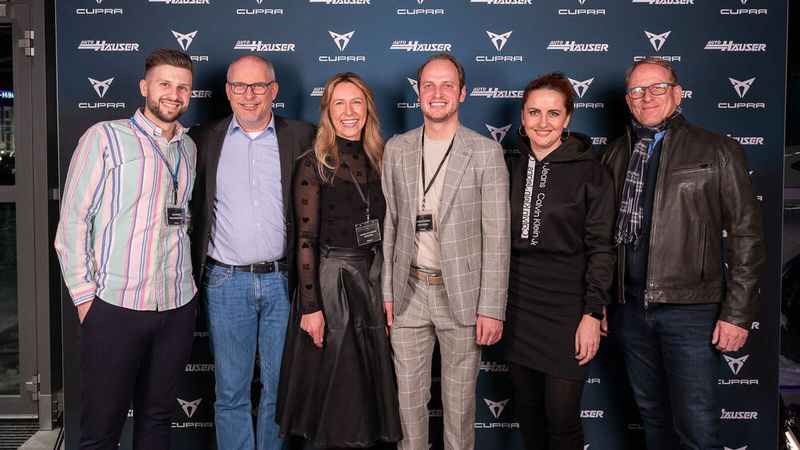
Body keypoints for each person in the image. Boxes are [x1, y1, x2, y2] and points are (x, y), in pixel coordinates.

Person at [601, 58, 765, 449]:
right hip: (630, 309)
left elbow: (747, 235)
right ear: (628, 100)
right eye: (638, 91)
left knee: (696, 424)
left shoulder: (717, 149)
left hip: (691, 310)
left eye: (657, 87)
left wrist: (738, 313)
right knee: (654, 419)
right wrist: (602, 299)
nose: (648, 97)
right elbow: (603, 237)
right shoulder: (615, 154)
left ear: (677, 93)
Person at [54, 48, 196, 449]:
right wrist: (86, 300)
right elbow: (73, 223)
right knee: (102, 427)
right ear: (144, 87)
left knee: (158, 420)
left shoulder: (189, 149)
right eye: (165, 84)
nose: (174, 94)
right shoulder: (105, 137)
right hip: (115, 307)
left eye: (182, 87)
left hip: (176, 305)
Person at [381, 54, 510, 450]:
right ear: (418, 93)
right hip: (408, 293)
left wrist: (491, 307)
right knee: (408, 406)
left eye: (447, 86)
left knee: (458, 408)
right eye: (429, 86)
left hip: (464, 298)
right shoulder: (396, 149)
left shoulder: (485, 152)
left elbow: (498, 236)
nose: (437, 94)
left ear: (462, 93)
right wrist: (387, 291)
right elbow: (391, 225)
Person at [187, 54, 315, 450]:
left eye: (259, 86)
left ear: (273, 91)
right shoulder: (202, 138)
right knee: (230, 395)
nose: (249, 95)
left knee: (278, 391)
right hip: (225, 282)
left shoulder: (303, 136)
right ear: (227, 91)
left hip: (282, 282)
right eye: (240, 86)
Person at [276, 72, 403, 448]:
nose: (349, 112)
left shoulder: (383, 159)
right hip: (332, 284)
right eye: (339, 104)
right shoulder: (315, 164)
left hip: (373, 281)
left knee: (367, 396)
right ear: (327, 112)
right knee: (339, 396)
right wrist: (311, 307)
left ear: (368, 109)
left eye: (356, 103)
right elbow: (305, 239)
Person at [503, 73, 615, 450]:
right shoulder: (505, 166)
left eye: (554, 113)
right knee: (529, 409)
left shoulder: (593, 173)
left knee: (562, 417)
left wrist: (591, 312)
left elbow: (602, 248)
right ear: (522, 116)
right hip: (518, 302)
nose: (543, 123)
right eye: (534, 112)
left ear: (568, 118)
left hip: (569, 305)